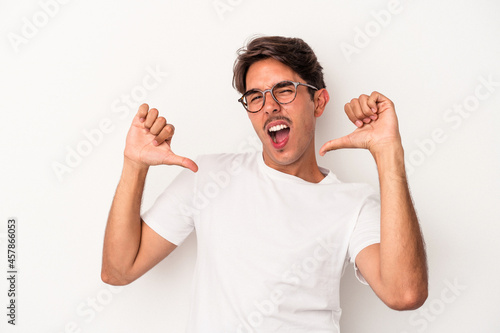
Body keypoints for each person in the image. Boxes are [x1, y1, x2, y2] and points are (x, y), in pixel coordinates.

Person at [101, 36, 428, 332]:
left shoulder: (353, 203)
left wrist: (389, 157)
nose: (269, 105)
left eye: (284, 90)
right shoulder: (208, 176)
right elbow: (119, 270)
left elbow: (405, 293)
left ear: (319, 102)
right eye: (255, 96)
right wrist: (135, 166)